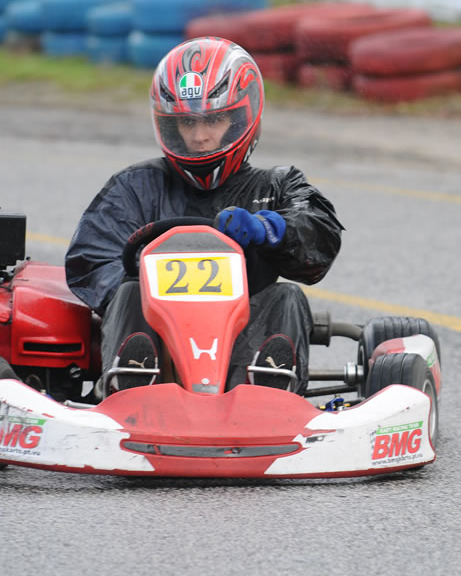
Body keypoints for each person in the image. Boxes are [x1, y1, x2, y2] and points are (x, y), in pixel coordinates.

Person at [65, 36, 343, 398]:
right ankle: (132, 382)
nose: (199, 137)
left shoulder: (276, 185)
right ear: (167, 124)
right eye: (187, 123)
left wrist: (269, 228)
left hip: (244, 334)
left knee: (286, 296)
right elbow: (91, 256)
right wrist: (147, 285)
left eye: (214, 119)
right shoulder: (136, 187)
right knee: (129, 293)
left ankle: (268, 390)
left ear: (243, 115)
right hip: (160, 338)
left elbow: (318, 233)